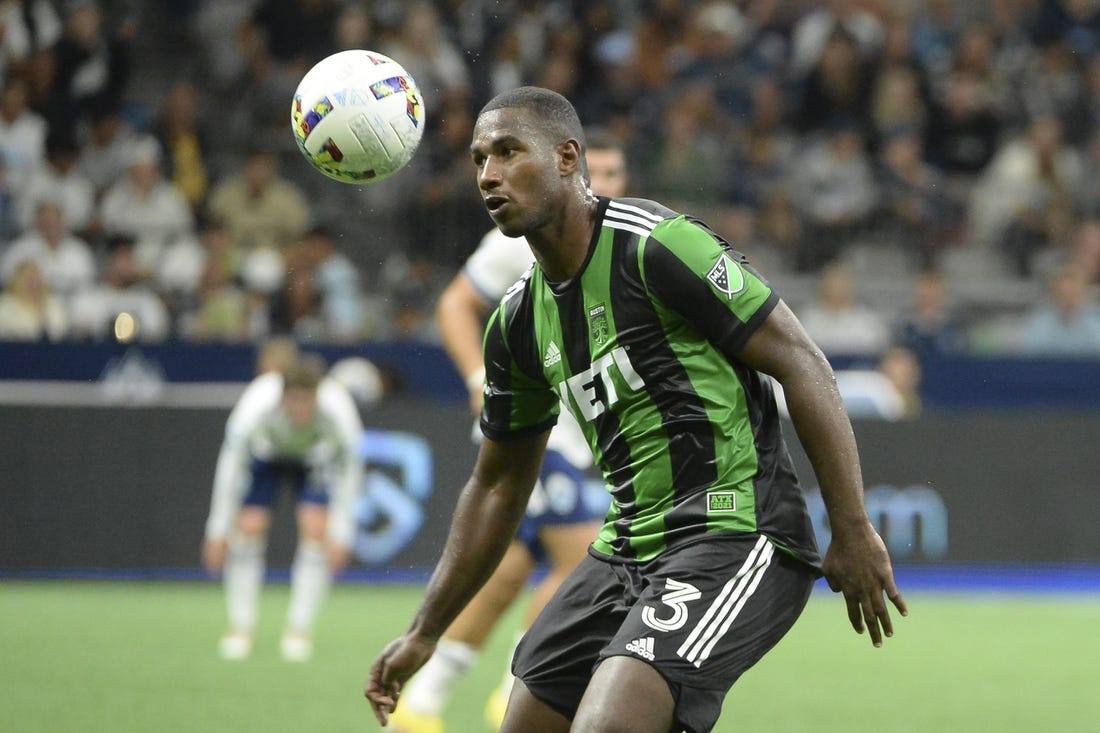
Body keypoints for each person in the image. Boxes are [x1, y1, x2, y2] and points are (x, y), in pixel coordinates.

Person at [367, 87, 906, 733]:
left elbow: (802, 362)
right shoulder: (516, 322)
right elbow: (498, 481)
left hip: (738, 531)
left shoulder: (657, 247)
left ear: (568, 158)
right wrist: (425, 630)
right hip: (626, 547)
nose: (489, 174)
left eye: (510, 152)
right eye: (480, 158)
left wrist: (851, 526)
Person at [388, 128, 629, 733]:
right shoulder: (525, 237)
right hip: (536, 438)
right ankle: (519, 691)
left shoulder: (624, 242)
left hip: (581, 438)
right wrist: (477, 376)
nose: (602, 180)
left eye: (614, 171)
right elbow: (453, 305)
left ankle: (422, 705)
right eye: (593, 167)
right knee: (582, 562)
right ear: (566, 167)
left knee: (505, 578)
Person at [202, 345, 364, 662]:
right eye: (295, 401)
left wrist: (343, 533)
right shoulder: (255, 407)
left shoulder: (339, 412)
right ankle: (241, 628)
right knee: (248, 529)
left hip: (314, 458)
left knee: (316, 531)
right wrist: (217, 529)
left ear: (318, 396)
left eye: (309, 402)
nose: (302, 411)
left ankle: (298, 631)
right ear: (282, 396)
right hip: (266, 456)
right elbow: (230, 469)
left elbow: (349, 472)